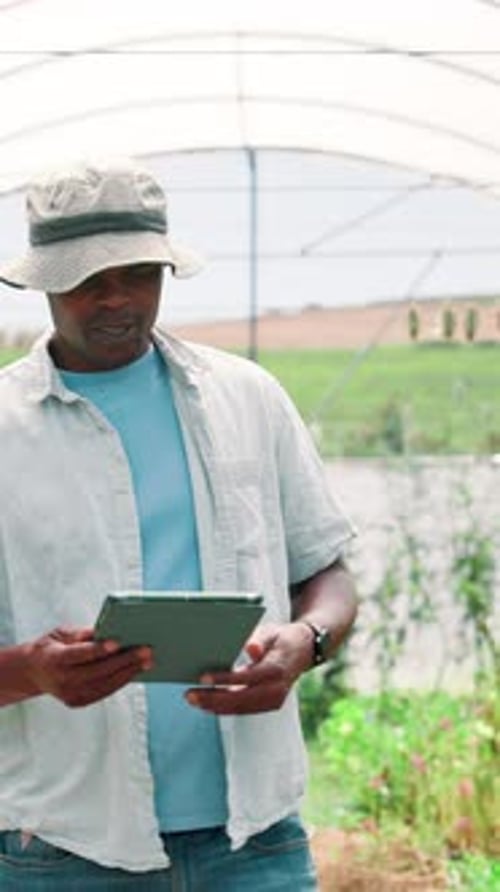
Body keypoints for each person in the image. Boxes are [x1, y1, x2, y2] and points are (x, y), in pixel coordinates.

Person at [0, 157, 357, 891]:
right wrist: (29, 672)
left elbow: (325, 572)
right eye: (87, 281)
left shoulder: (246, 397)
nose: (116, 300)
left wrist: (306, 640)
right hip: (62, 850)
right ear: (44, 283)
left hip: (254, 841)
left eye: (137, 274)